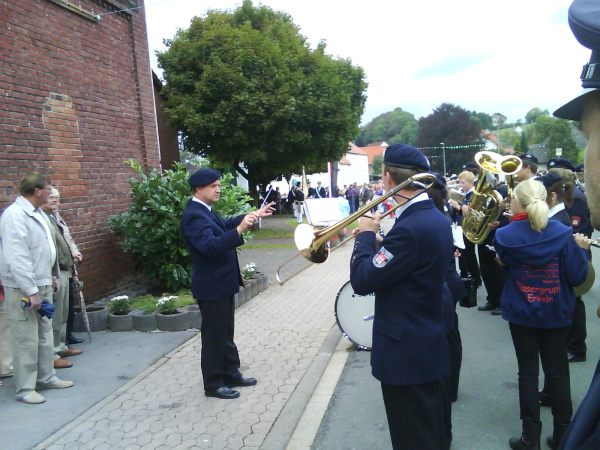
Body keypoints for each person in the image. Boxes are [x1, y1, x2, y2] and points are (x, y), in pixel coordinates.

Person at [350, 144, 453, 450]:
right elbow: (410, 262)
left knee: (413, 438)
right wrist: (383, 241)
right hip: (427, 343)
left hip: (406, 352)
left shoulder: (410, 228)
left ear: (388, 178)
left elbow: (362, 280)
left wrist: (366, 236)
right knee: (432, 431)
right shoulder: (433, 217)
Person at [494, 179, 590, 450]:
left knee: (527, 374)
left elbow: (504, 263)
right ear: (548, 200)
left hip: (522, 313)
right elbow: (577, 276)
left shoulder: (504, 235)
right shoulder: (562, 232)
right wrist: (581, 251)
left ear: (517, 203)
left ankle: (530, 438)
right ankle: (564, 436)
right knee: (558, 372)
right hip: (556, 311)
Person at [180, 168, 274, 400]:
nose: (218, 189)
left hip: (221, 283)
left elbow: (224, 225)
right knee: (213, 336)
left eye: (218, 185)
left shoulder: (205, 211)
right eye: (213, 186)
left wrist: (251, 215)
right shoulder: (193, 215)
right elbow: (210, 247)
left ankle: (230, 373)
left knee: (225, 333)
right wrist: (240, 230)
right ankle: (213, 384)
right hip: (211, 286)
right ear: (198, 189)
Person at [0, 173, 74, 404]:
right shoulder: (14, 216)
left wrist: (52, 276)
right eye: (47, 189)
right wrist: (30, 290)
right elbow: (17, 256)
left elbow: (46, 248)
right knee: (26, 338)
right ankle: (25, 388)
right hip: (24, 288)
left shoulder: (38, 213)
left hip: (42, 283)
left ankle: (46, 376)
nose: (50, 193)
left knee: (45, 333)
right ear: (37, 192)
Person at [41, 187, 82, 369]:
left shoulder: (58, 217)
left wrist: (75, 252)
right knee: (56, 314)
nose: (55, 201)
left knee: (64, 311)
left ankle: (62, 345)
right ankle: (54, 351)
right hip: (56, 272)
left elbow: (68, 239)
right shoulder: (43, 219)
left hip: (66, 268)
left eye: (57, 198)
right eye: (51, 198)